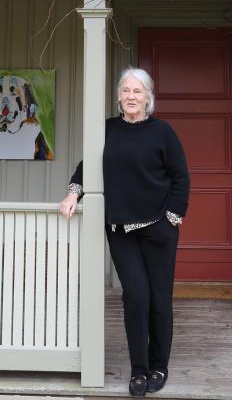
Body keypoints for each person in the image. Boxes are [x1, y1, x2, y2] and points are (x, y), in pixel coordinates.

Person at [59, 67, 190, 397]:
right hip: (120, 229)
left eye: (138, 91)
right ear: (118, 96)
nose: (131, 96)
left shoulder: (163, 132)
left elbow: (180, 178)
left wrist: (172, 216)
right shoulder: (107, 130)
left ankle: (159, 365)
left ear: (148, 97)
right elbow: (86, 166)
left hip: (158, 228)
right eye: (126, 91)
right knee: (135, 297)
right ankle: (139, 369)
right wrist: (74, 192)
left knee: (159, 299)